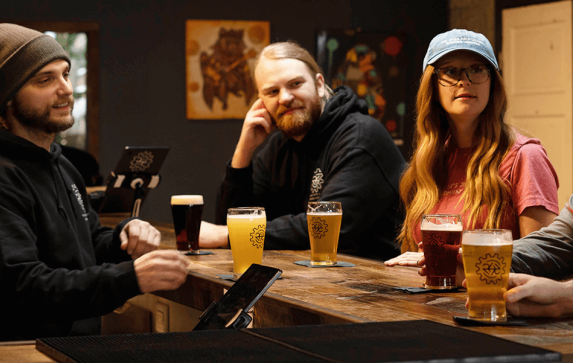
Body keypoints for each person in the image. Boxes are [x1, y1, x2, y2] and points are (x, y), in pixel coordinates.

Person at [0, 23, 189, 343]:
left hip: (67, 346)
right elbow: (26, 288)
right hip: (14, 350)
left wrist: (124, 238)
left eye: (65, 74)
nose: (66, 88)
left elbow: (86, 243)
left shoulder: (61, 164)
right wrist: (129, 278)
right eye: (45, 79)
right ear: (8, 98)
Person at [199, 41, 406, 260]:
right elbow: (229, 221)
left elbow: (324, 228)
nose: (285, 98)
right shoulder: (279, 147)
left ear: (318, 84)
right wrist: (244, 149)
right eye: (272, 91)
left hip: (377, 284)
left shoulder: (360, 136)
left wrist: (231, 235)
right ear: (261, 101)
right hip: (312, 280)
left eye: (295, 84)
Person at [385, 29, 559, 268]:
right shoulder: (428, 162)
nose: (464, 80)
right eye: (450, 71)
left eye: (477, 69)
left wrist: (449, 261)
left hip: (492, 302)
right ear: (433, 86)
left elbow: (544, 262)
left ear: (493, 83)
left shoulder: (525, 157)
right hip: (429, 301)